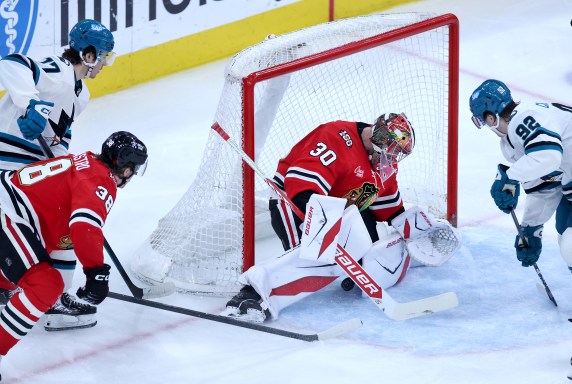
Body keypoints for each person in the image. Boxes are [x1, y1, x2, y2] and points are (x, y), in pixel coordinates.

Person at [221, 113, 460, 322]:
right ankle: (250, 296)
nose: (393, 159)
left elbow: (388, 208)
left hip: (341, 209)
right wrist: (324, 226)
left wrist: (416, 230)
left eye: (398, 154)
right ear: (379, 139)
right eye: (392, 151)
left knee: (369, 247)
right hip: (294, 202)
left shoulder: (384, 163)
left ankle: (348, 272)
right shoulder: (336, 137)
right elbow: (300, 183)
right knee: (313, 257)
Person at [0, 131, 148, 384]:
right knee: (45, 284)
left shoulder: (87, 162)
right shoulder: (101, 181)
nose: (133, 173)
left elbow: (69, 229)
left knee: (56, 241)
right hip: (1, 214)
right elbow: (84, 227)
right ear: (122, 164)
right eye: (132, 167)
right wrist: (96, 274)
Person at [0, 19, 116, 330]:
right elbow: (11, 65)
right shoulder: (58, 69)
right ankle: (55, 300)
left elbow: (55, 141)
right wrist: (30, 104)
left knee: (26, 219)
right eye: (103, 56)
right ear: (88, 55)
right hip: (5, 154)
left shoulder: (82, 94)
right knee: (58, 218)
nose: (105, 63)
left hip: (27, 160)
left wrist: (73, 176)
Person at [469, 79, 570, 271]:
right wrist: (531, 228)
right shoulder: (513, 140)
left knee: (571, 246)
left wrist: (510, 176)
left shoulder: (523, 118)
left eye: (480, 120)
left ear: (491, 117)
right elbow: (546, 186)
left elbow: (549, 156)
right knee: (565, 230)